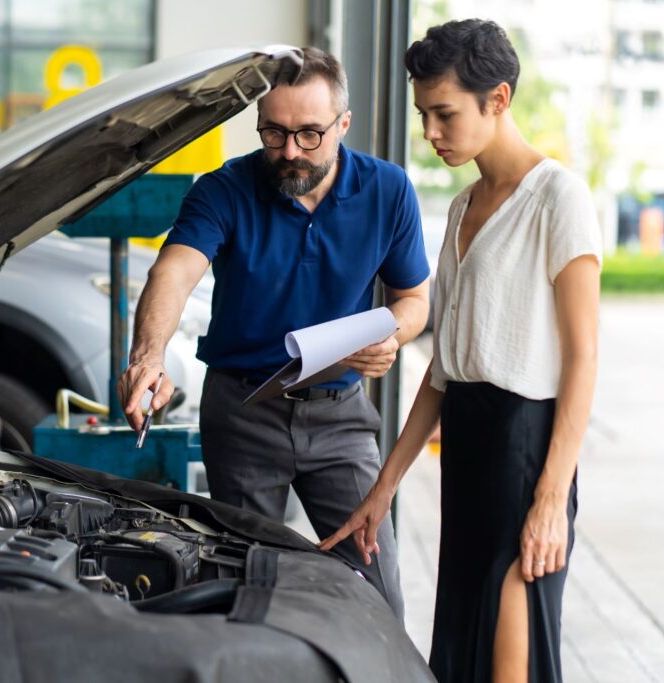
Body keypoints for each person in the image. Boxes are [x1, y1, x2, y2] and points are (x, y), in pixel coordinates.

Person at [319, 20, 602, 682]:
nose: (430, 133)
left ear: (498, 100)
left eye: (444, 114)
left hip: (526, 451)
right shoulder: (462, 206)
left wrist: (551, 497)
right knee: (461, 657)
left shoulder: (559, 197)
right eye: (423, 115)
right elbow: (445, 368)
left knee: (513, 662)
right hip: (469, 453)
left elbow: (584, 357)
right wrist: (383, 487)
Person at [117, 47, 430, 618]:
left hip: (341, 415)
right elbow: (175, 269)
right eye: (274, 133)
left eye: (310, 134)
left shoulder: (389, 191)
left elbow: (413, 301)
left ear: (344, 124)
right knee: (244, 592)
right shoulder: (223, 190)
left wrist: (393, 335)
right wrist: (148, 356)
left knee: (378, 593)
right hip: (243, 412)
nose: (289, 152)